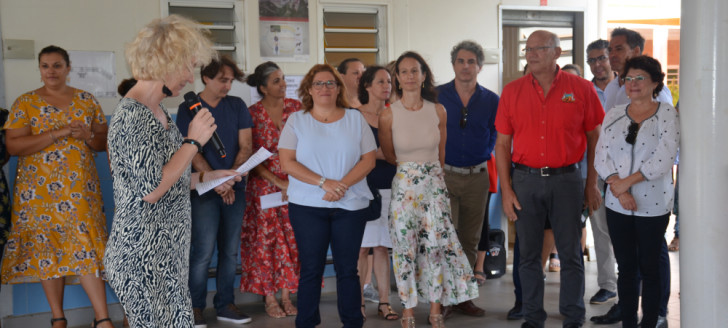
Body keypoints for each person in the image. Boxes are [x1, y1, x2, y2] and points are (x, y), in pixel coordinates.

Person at [104, 15, 241, 327]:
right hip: (141, 256)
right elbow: (151, 190)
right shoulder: (131, 115)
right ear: (164, 60)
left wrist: (210, 176)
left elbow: (172, 177)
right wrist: (193, 141)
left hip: (168, 255)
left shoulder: (160, 111)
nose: (191, 79)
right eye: (188, 67)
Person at [495, 30, 604, 328]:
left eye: (539, 49)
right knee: (528, 255)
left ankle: (573, 315)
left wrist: (590, 182)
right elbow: (502, 145)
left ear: (557, 53)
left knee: (570, 253)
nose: (531, 54)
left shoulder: (580, 88)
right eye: (527, 49)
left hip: (567, 180)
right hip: (525, 181)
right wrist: (506, 190)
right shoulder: (512, 91)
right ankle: (532, 317)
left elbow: (596, 137)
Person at [1, 45, 113, 328]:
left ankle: (102, 319)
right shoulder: (25, 102)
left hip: (80, 191)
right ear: (39, 69)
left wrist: (88, 136)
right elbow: (13, 146)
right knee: (46, 251)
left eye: (57, 65)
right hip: (38, 194)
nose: (51, 71)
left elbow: (103, 142)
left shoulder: (87, 100)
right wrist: (57, 132)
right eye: (46, 66)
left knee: (86, 248)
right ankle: (58, 318)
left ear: (68, 67)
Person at [379, 51, 479, 328]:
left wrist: (432, 181)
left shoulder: (438, 110)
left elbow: (441, 153)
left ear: (424, 76)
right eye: (404, 72)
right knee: (404, 251)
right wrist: (413, 173)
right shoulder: (388, 115)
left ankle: (435, 308)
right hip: (404, 190)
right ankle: (408, 310)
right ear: (397, 78)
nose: (410, 76)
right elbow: (390, 155)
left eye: (415, 71)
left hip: (434, 186)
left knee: (436, 248)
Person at [278, 63, 376, 328]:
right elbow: (287, 162)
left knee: (348, 270)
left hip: (351, 205)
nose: (324, 88)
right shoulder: (297, 120)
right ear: (309, 89)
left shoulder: (355, 119)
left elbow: (369, 160)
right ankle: (307, 322)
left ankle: (353, 322)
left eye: (330, 83)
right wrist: (324, 183)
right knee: (310, 270)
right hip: (307, 206)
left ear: (338, 88)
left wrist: (341, 185)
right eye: (318, 83)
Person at [592, 28, 673, 328]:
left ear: (655, 82)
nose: (633, 84)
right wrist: (618, 185)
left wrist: (628, 182)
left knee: (649, 268)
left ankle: (650, 321)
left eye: (641, 78)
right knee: (625, 268)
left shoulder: (666, 112)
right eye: (629, 78)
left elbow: (663, 158)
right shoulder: (613, 113)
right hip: (617, 203)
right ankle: (627, 321)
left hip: (653, 204)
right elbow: (601, 155)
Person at [176, 55, 254, 327]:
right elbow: (191, 149)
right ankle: (195, 307)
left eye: (231, 81)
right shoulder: (189, 107)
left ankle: (225, 304)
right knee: (203, 251)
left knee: (230, 251)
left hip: (235, 186)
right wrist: (215, 181)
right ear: (206, 77)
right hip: (202, 189)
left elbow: (246, 146)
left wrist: (229, 180)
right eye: (223, 80)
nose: (228, 86)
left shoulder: (237, 105)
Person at [436, 40, 498, 319]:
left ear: (480, 67)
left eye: (471, 61)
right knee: (446, 240)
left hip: (477, 177)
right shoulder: (437, 96)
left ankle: (464, 296)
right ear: (453, 65)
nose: (465, 66)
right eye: (460, 61)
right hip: (444, 175)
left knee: (470, 240)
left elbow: (496, 136)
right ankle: (445, 298)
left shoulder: (491, 100)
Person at [240, 61, 301, 319]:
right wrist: (279, 183)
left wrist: (294, 182)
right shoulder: (251, 113)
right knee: (266, 243)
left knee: (292, 240)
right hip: (264, 187)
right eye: (276, 81)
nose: (283, 84)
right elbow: (251, 158)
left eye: (284, 79)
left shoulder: (296, 109)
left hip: (296, 183)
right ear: (263, 87)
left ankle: (288, 295)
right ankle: (269, 297)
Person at [355, 66, 399, 321]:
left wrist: (385, 153)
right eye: (381, 81)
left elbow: (400, 149)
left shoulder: (395, 114)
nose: (387, 86)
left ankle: (384, 301)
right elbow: (358, 154)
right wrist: (388, 154)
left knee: (382, 247)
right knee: (362, 249)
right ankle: (358, 303)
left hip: (392, 187)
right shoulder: (354, 116)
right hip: (364, 188)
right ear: (367, 86)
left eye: (389, 81)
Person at [583, 39, 619, 305]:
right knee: (600, 229)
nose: (597, 64)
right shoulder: (584, 91)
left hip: (628, 172)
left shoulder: (627, 86)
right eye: (592, 60)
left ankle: (634, 280)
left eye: (601, 58)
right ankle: (608, 285)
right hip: (592, 170)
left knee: (629, 231)